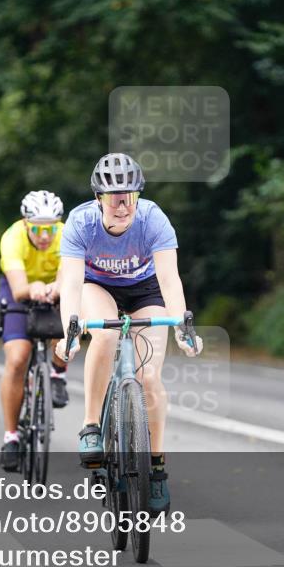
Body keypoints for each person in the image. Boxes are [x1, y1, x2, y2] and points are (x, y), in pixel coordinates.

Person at [55, 153, 202, 514]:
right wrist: (69, 332)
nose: (123, 206)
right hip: (98, 287)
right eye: (113, 198)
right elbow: (72, 284)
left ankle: (156, 469)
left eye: (130, 196)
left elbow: (169, 279)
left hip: (145, 289)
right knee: (103, 336)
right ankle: (91, 426)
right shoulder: (80, 222)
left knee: (149, 378)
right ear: (98, 199)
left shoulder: (153, 219)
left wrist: (183, 326)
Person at [0, 191, 70, 472]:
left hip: (56, 290)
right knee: (18, 358)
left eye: (50, 228)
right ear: (26, 223)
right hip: (21, 292)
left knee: (69, 328)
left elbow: (68, 274)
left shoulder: (67, 235)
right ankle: (11, 437)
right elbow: (18, 288)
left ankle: (57, 373)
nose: (44, 235)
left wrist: (56, 288)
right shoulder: (12, 237)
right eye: (38, 228)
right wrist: (34, 289)